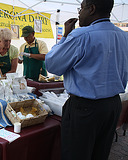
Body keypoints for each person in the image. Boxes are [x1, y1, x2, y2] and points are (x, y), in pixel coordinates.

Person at [45, 0, 128, 159]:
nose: (78, 12)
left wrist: (66, 37)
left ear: (92, 9)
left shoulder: (81, 35)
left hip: (84, 109)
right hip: (112, 106)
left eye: (81, 8)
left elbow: (52, 64)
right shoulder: (123, 36)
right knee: (100, 154)